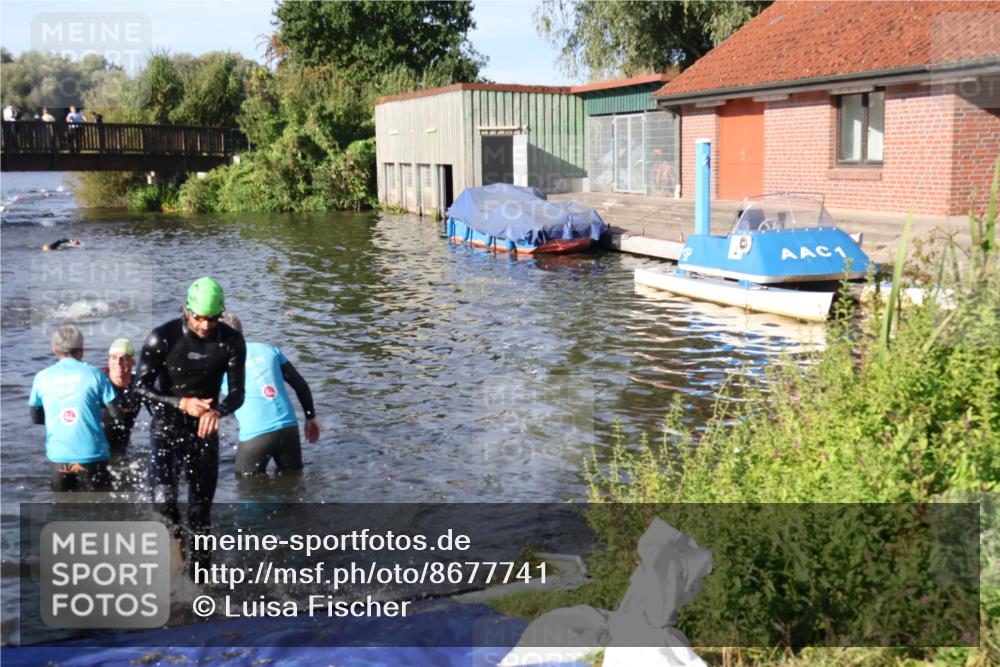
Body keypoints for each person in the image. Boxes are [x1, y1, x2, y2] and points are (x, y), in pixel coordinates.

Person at [135, 277, 245, 570]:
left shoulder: (231, 341)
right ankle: (175, 559)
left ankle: (202, 584)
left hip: (203, 433)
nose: (206, 325)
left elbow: (237, 393)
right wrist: (180, 403)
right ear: (186, 310)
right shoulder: (163, 337)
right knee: (164, 504)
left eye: (213, 318)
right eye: (199, 317)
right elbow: (140, 387)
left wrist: (217, 412)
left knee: (200, 511)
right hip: (166, 429)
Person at [219, 314, 320, 475]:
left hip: (256, 436)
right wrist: (310, 417)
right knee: (293, 482)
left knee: (246, 487)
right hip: (289, 429)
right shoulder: (268, 349)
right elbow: (300, 385)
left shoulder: (220, 362)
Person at [29, 325, 123, 492]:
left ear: (54, 350)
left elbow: (36, 418)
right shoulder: (95, 374)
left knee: (62, 508)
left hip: (59, 457)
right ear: (82, 350)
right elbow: (117, 414)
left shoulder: (41, 377)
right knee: (103, 507)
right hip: (93, 455)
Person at [101, 338, 142, 457]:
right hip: (96, 452)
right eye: (113, 357)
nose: (118, 363)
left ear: (133, 362)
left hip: (121, 450)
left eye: (124, 358)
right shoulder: (98, 381)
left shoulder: (138, 384)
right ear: (108, 361)